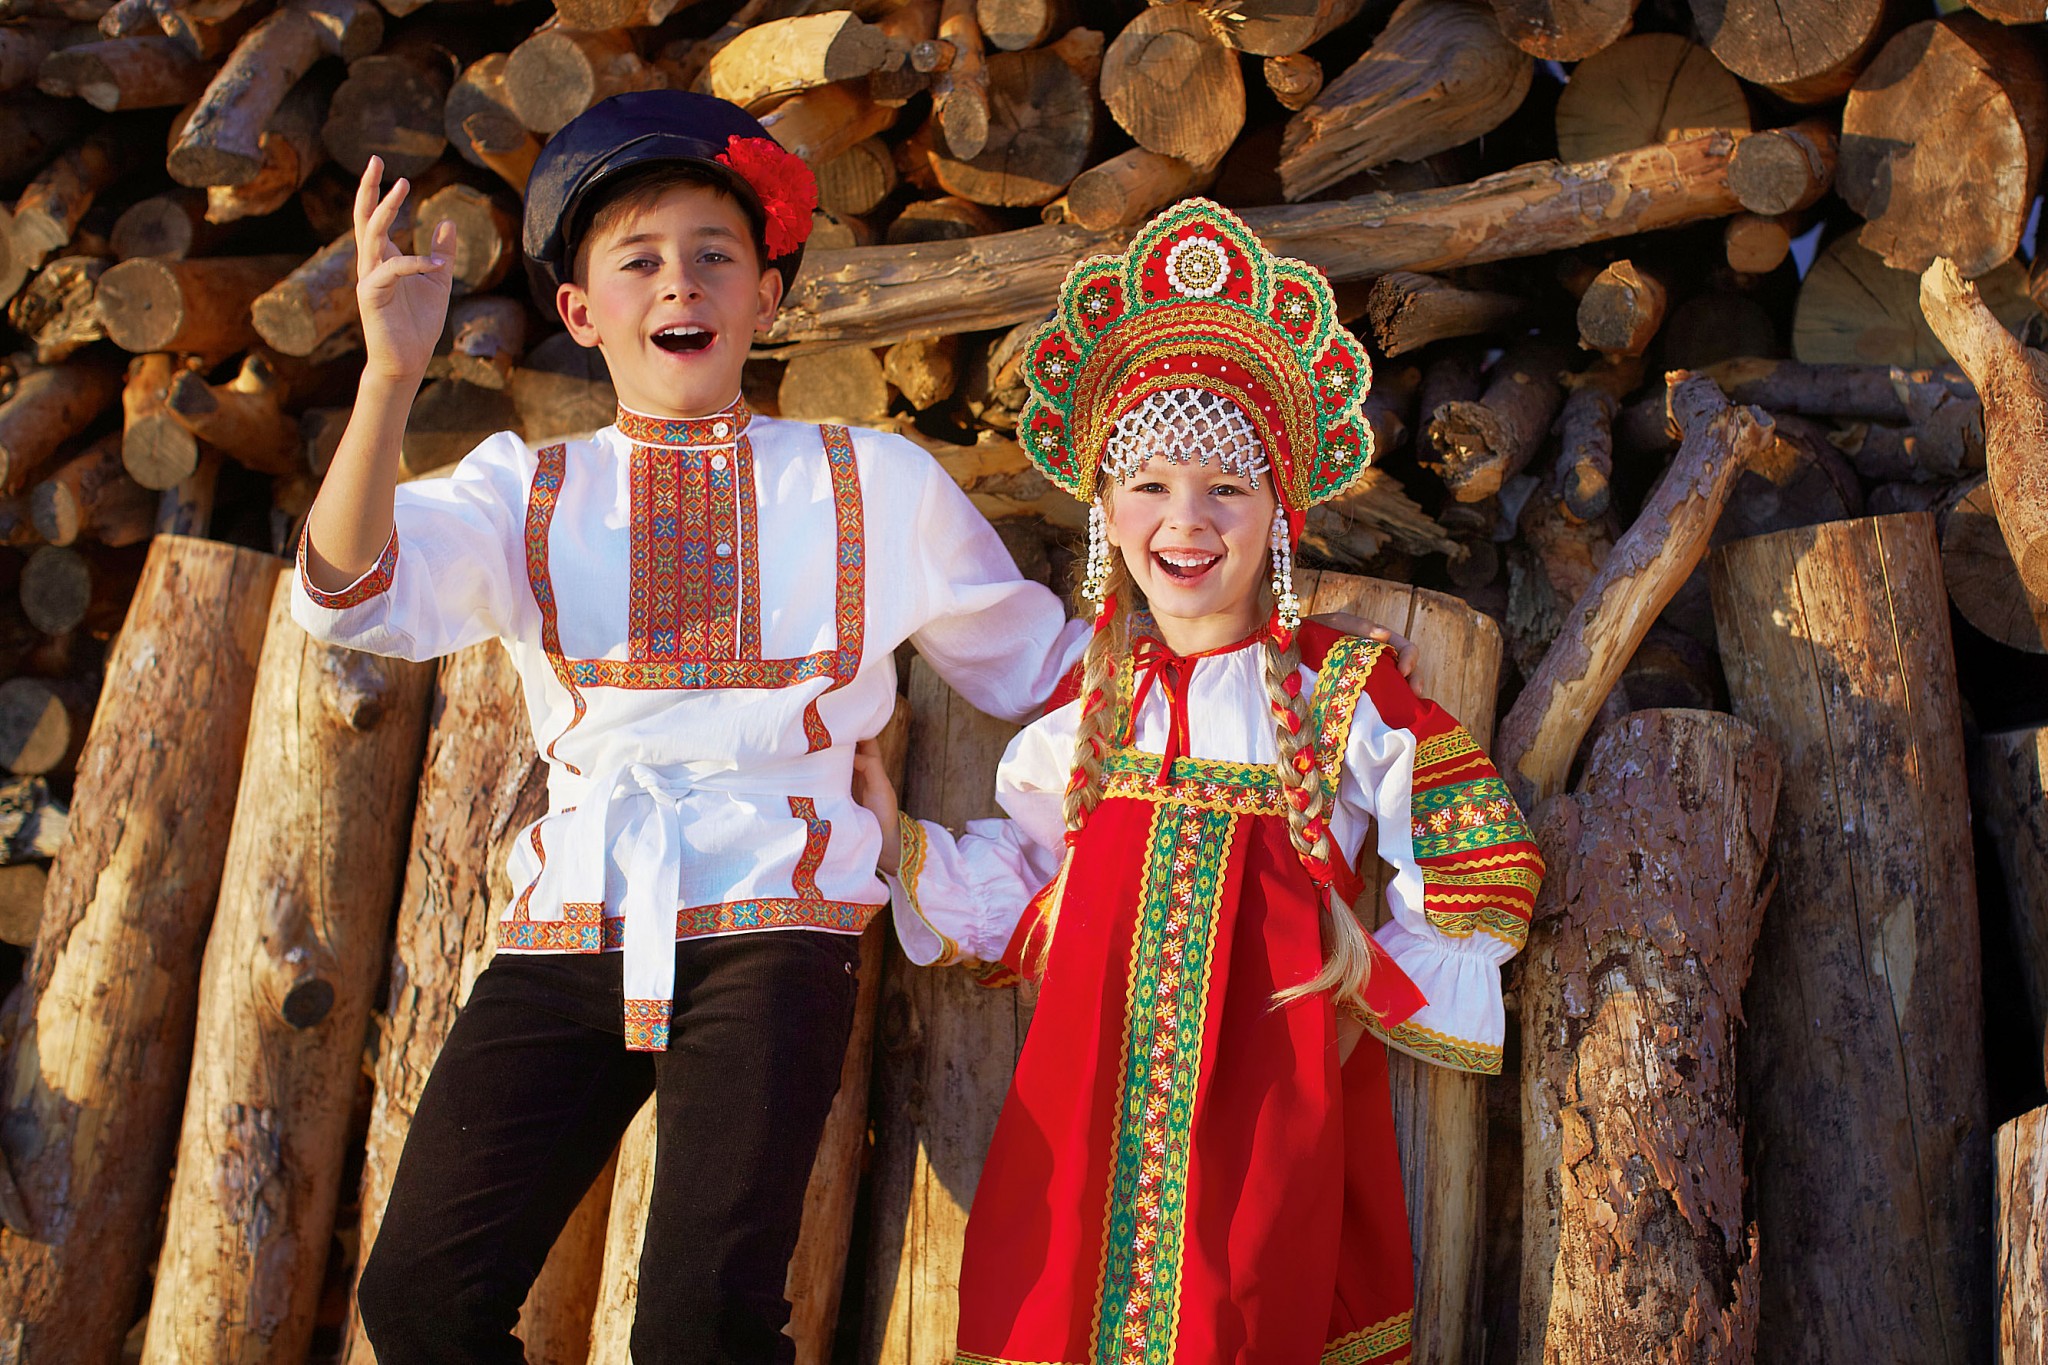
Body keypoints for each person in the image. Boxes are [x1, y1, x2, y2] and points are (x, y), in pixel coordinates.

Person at [292, 90, 1106, 1364]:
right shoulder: (525, 489)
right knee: (421, 1301)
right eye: (640, 259)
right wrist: (390, 376)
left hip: (775, 925)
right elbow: (346, 594)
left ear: (764, 298)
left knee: (700, 1328)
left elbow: (1043, 671)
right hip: (573, 917)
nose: (681, 280)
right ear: (580, 312)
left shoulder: (873, 482)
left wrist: (1233, 657)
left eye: (715, 254)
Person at [851, 199, 1547, 1365]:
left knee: (1241, 1311)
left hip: (1265, 1099)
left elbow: (1476, 844)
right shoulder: (1093, 707)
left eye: (1226, 487)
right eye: (1149, 486)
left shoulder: (1337, 692)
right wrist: (900, 845)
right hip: (1084, 1099)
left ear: (1278, 514)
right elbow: (1040, 884)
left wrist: (1366, 976)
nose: (1185, 520)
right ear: (1104, 516)